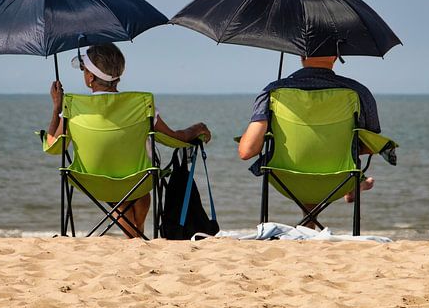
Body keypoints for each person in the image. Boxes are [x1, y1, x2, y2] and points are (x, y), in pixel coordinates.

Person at [46, 43, 211, 238]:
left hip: (90, 182)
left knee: (118, 192)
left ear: (90, 78)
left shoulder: (73, 108)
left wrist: (57, 108)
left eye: (84, 70)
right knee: (137, 186)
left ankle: (134, 237)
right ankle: (136, 236)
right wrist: (197, 128)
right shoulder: (140, 105)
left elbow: (53, 147)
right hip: (139, 179)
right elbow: (173, 138)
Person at [238, 55, 378, 211]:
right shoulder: (358, 92)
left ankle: (309, 219)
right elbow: (371, 146)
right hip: (340, 180)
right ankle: (356, 185)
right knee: (325, 155)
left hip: (285, 179)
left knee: (306, 158)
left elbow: (247, 151)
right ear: (336, 57)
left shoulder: (273, 92)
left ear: (301, 55)